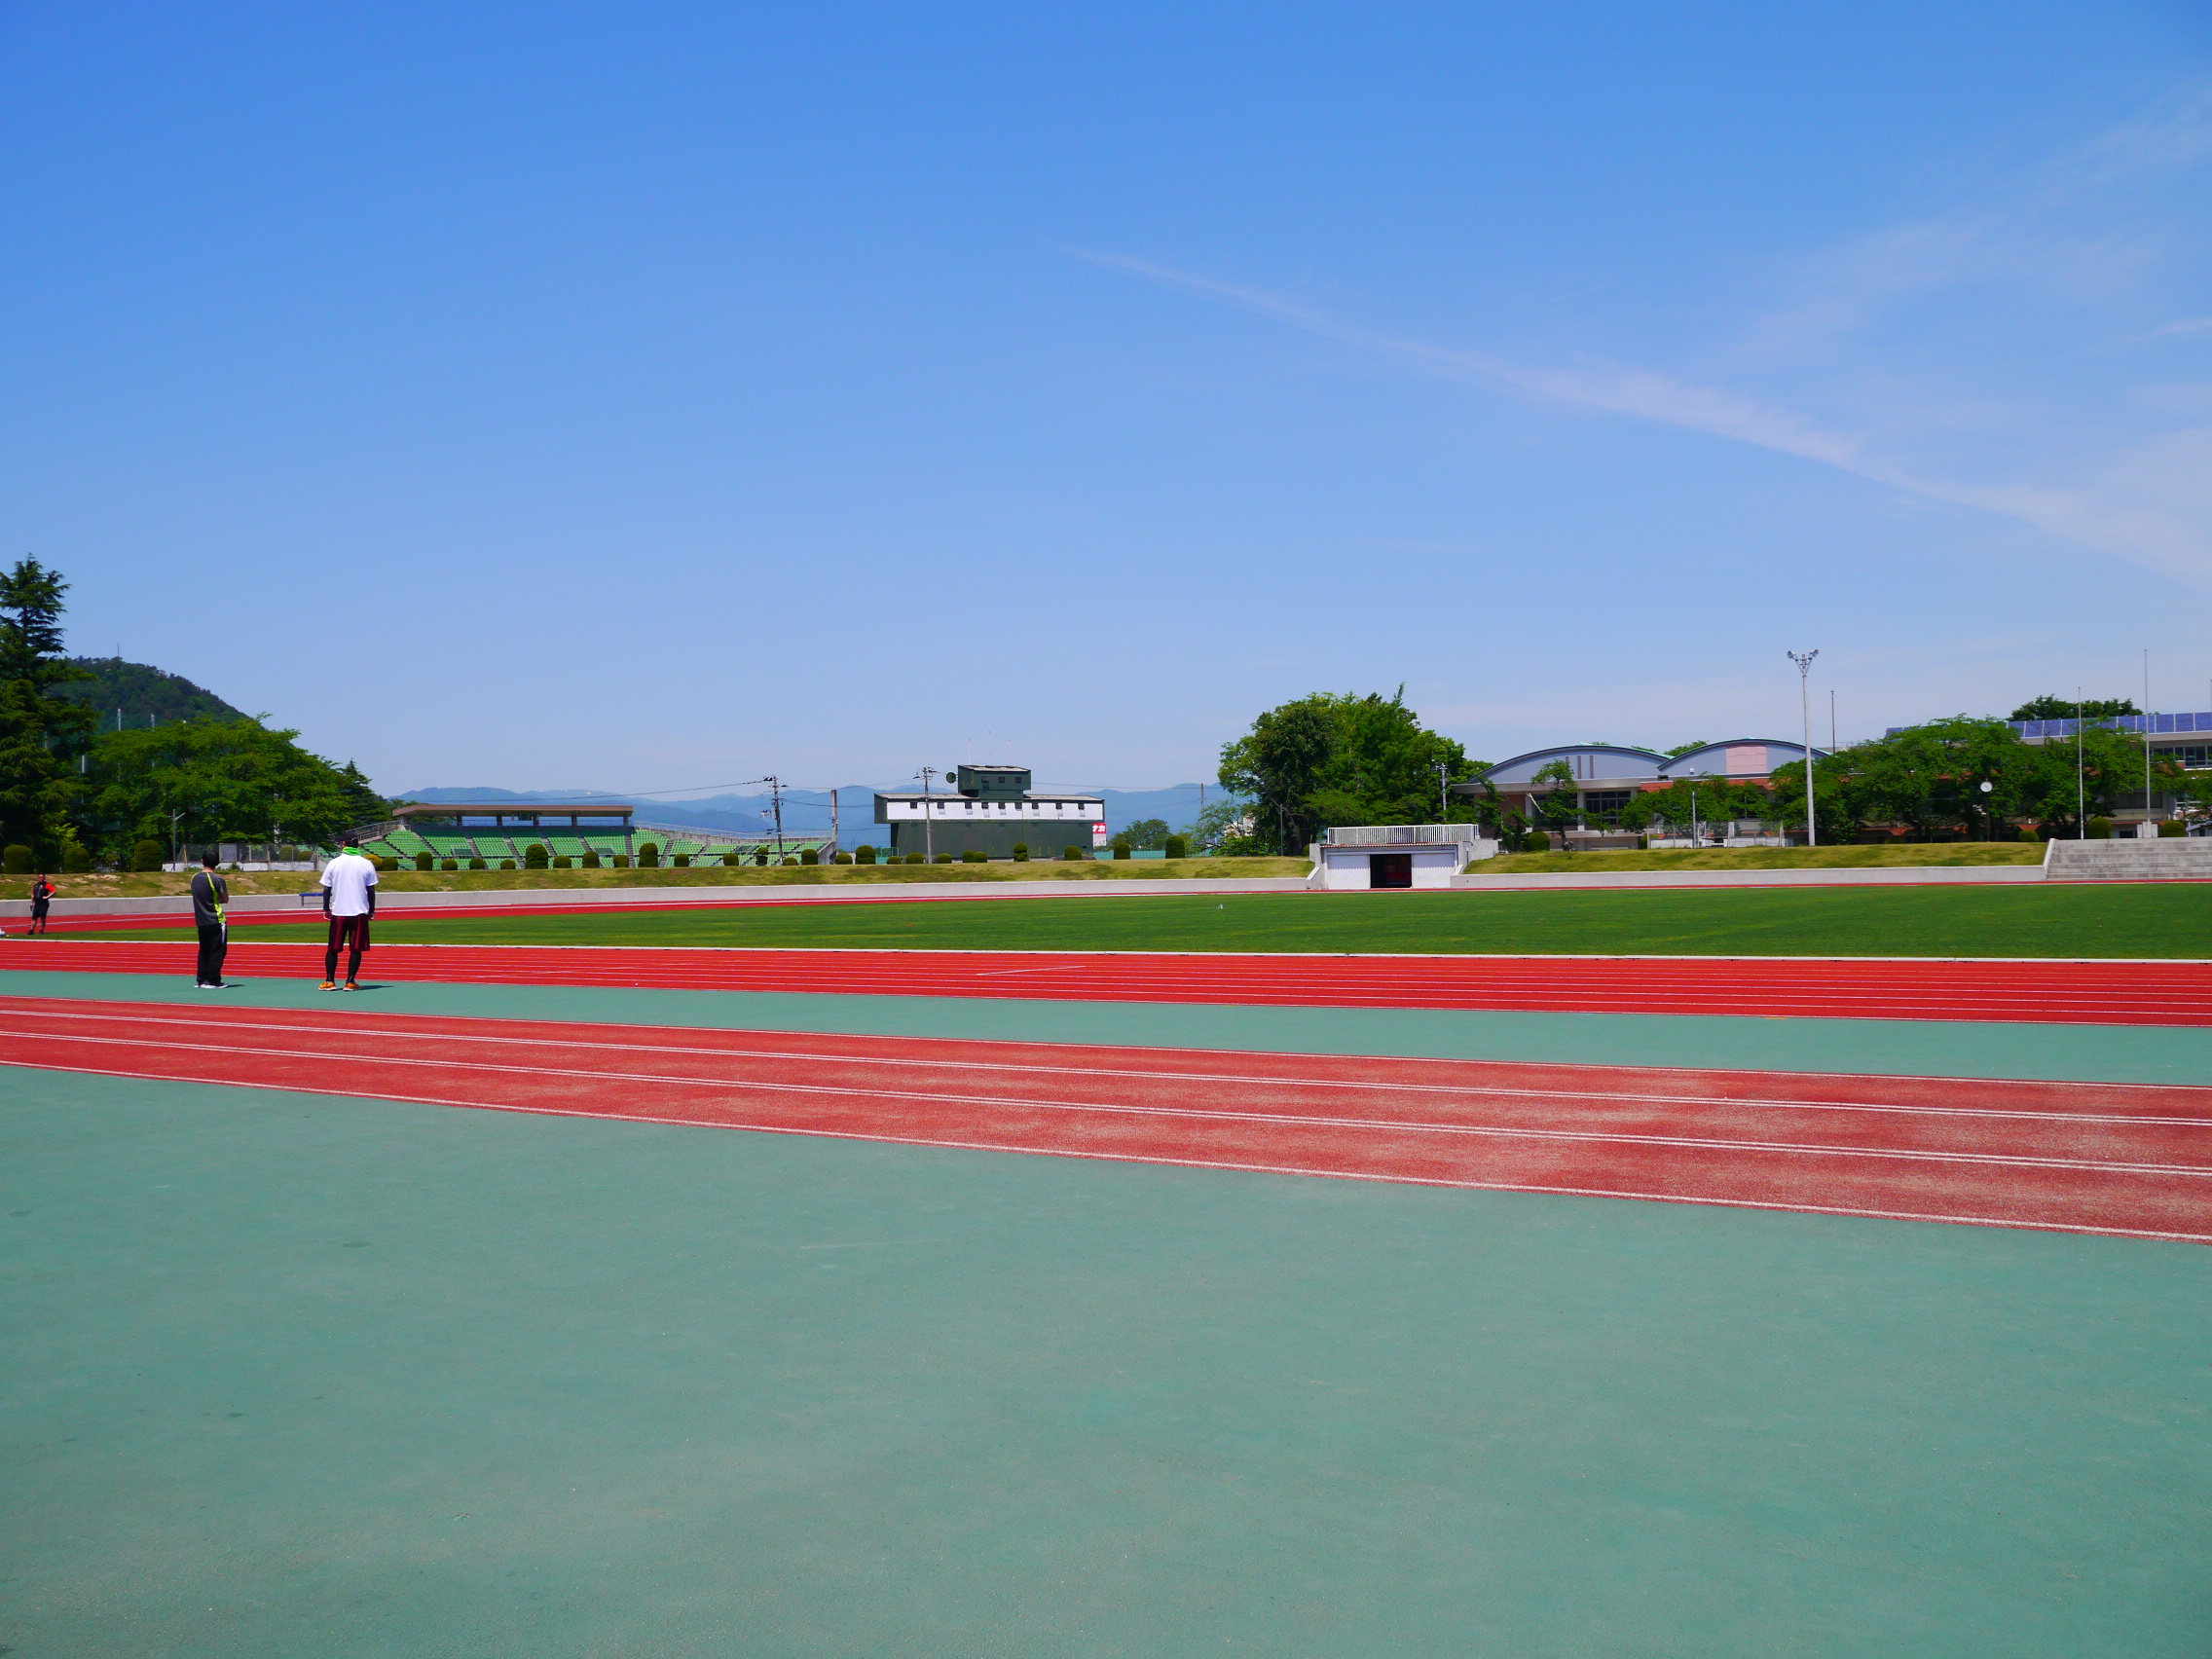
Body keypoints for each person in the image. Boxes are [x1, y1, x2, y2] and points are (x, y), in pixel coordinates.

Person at [319, 836, 378, 991]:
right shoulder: (366, 863)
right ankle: (350, 981)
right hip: (359, 912)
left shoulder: (334, 863)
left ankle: (330, 981)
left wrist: (326, 909)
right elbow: (371, 890)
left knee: (333, 948)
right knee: (356, 948)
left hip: (339, 912)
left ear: (343, 844)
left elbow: (327, 888)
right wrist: (371, 910)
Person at [191, 852, 231, 988]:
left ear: (202, 861)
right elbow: (225, 899)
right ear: (217, 863)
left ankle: (201, 979)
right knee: (217, 950)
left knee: (204, 950)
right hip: (216, 919)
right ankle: (213, 980)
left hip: (201, 920)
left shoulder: (194, 878)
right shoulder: (218, 880)